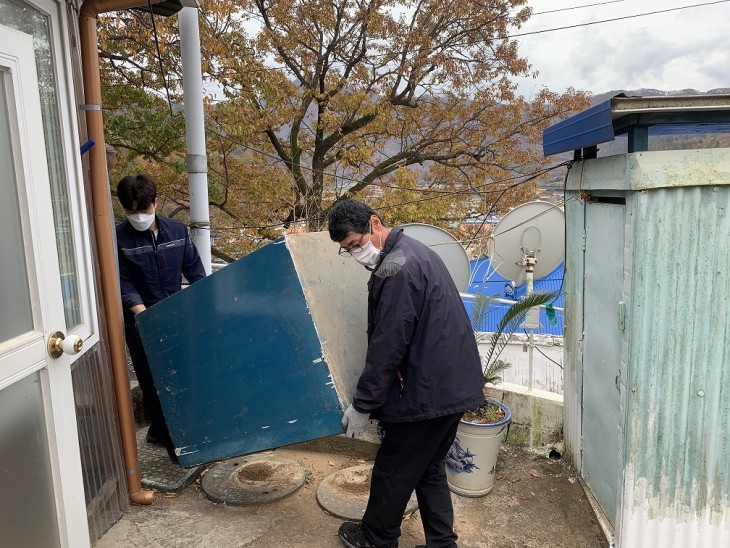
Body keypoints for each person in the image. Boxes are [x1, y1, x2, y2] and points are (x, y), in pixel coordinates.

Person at [328, 199, 485, 548]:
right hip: (452, 386)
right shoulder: (415, 251)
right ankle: (442, 544)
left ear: (375, 223)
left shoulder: (395, 268)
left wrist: (363, 404)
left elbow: (388, 345)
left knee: (393, 471)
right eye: (347, 250)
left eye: (356, 244)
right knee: (428, 469)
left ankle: (375, 540)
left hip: (429, 392)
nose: (357, 254)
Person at [115, 174, 207, 463]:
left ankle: (168, 430)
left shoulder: (177, 231)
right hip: (140, 322)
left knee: (184, 375)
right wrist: (142, 314)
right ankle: (170, 441)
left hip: (176, 318)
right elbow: (123, 282)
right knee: (152, 381)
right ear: (123, 209)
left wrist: (205, 301)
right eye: (131, 211)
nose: (138, 216)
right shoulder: (117, 238)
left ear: (155, 202)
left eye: (143, 209)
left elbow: (195, 271)